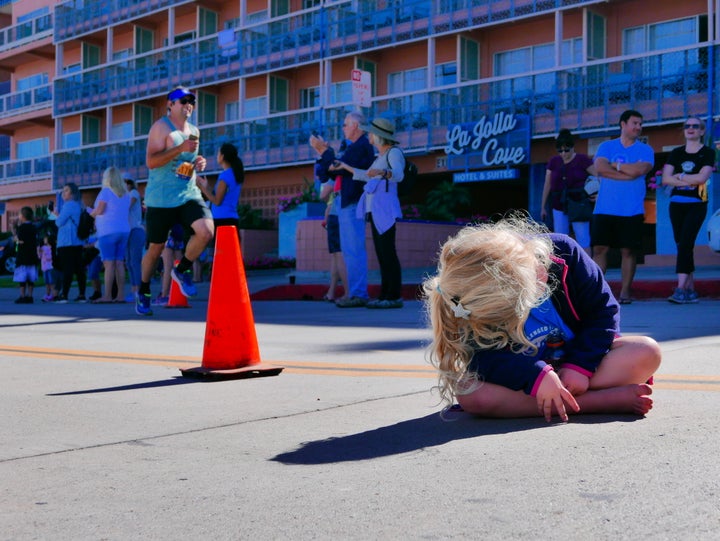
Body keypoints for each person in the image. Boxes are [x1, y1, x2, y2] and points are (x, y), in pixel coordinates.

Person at [423, 217, 661, 422]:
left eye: (535, 273)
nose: (541, 276)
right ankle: (598, 402)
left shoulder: (566, 253)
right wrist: (536, 375)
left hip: (583, 366)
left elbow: (603, 312)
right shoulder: (473, 301)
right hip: (528, 378)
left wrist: (580, 366)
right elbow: (485, 359)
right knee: (470, 394)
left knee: (646, 351)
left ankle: (567, 397)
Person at [136, 86, 213, 316]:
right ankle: (144, 290)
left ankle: (183, 269)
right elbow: (151, 161)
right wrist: (179, 148)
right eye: (183, 100)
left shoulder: (195, 132)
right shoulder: (161, 128)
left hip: (187, 193)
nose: (188, 104)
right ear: (170, 104)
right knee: (155, 248)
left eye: (192, 101)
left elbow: (183, 167)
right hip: (160, 198)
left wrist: (197, 164)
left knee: (206, 231)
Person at [334, 117, 404, 308]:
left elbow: (398, 174)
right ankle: (385, 294)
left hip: (385, 209)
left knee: (387, 251)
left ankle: (393, 295)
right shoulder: (380, 157)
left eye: (371, 132)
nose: (369, 135)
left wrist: (381, 173)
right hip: (376, 209)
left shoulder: (393, 153)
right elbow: (365, 175)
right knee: (381, 252)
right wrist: (345, 167)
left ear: (379, 136)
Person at [591, 109, 654, 304]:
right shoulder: (606, 146)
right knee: (599, 249)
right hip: (604, 209)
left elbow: (640, 170)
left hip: (631, 210)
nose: (638, 127)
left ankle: (625, 292)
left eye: (640, 124)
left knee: (628, 251)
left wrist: (616, 166)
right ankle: (596, 292)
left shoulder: (645, 150)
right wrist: (628, 173)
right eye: (635, 123)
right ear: (623, 124)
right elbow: (600, 168)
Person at [661, 117, 715, 304]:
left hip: (697, 203)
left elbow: (702, 178)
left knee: (685, 243)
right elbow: (666, 179)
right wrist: (689, 179)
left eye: (695, 126)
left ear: (702, 131)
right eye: (687, 126)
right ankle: (691, 289)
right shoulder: (676, 153)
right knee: (682, 244)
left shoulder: (707, 152)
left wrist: (680, 175)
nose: (690, 129)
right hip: (676, 203)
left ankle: (681, 289)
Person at [329, 112, 375, 308]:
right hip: (347, 201)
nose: (343, 128)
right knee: (350, 249)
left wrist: (325, 153)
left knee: (353, 249)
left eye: (345, 124)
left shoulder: (361, 146)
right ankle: (356, 292)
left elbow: (336, 168)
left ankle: (358, 293)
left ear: (355, 125)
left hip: (352, 202)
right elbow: (334, 169)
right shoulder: (356, 147)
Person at [541, 128, 596, 255]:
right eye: (560, 150)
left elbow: (598, 176)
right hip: (559, 202)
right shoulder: (554, 162)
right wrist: (542, 206)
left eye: (566, 150)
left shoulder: (582, 159)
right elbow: (547, 184)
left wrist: (595, 193)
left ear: (572, 147)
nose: (563, 153)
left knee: (583, 236)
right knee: (560, 238)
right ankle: (563, 269)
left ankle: (587, 268)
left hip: (578, 201)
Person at [312, 134, 348, 302]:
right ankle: (332, 291)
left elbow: (324, 194)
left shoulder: (336, 170)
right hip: (334, 213)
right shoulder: (338, 169)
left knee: (337, 255)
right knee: (336, 255)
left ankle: (346, 292)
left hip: (335, 213)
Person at [88, 167, 131, 303]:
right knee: (119, 263)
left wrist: (91, 213)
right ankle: (120, 295)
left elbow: (100, 210)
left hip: (108, 231)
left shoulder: (105, 192)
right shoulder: (125, 194)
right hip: (124, 230)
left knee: (109, 264)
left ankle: (106, 296)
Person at [197, 142, 244, 230]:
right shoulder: (234, 173)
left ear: (222, 156)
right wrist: (207, 187)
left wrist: (201, 187)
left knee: (220, 244)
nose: (217, 156)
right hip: (231, 218)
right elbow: (220, 195)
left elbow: (217, 201)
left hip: (222, 219)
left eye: (218, 153)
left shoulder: (225, 175)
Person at [54, 182, 88, 303]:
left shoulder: (68, 205)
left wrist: (56, 216)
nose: (64, 193)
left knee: (67, 269)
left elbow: (58, 222)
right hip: (77, 241)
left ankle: (64, 295)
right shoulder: (79, 205)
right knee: (79, 269)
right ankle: (82, 294)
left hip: (66, 242)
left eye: (66, 190)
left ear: (72, 193)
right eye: (63, 191)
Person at [124, 173, 146, 302]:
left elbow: (126, 208)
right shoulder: (126, 195)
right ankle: (134, 290)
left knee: (135, 262)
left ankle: (139, 291)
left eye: (125, 182)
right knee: (129, 262)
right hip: (128, 231)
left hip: (136, 230)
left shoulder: (133, 194)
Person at [13, 207, 39, 304]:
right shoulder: (33, 227)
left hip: (23, 256)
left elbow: (20, 240)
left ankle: (22, 295)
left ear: (23, 217)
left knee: (22, 277)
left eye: (19, 214)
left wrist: (15, 239)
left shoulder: (22, 228)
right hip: (32, 256)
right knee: (31, 278)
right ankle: (30, 296)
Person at [38, 234, 57, 302]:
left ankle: (53, 294)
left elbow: (50, 257)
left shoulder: (51, 248)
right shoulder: (42, 247)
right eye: (44, 239)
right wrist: (39, 251)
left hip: (50, 267)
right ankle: (47, 294)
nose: (45, 240)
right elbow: (39, 257)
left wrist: (45, 253)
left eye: (46, 239)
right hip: (44, 267)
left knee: (51, 282)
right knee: (47, 283)